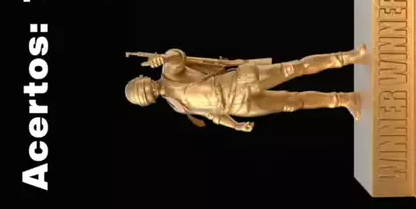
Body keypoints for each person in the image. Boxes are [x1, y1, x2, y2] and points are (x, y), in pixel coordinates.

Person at [124, 45, 367, 132]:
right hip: (240, 106)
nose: (147, 92)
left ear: (144, 79)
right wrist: (236, 125)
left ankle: (349, 56)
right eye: (143, 96)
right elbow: (212, 115)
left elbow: (178, 57)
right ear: (147, 102)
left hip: (239, 82)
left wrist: (164, 58)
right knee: (293, 103)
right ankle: (344, 99)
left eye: (142, 88)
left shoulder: (169, 74)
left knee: (295, 68)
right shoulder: (177, 106)